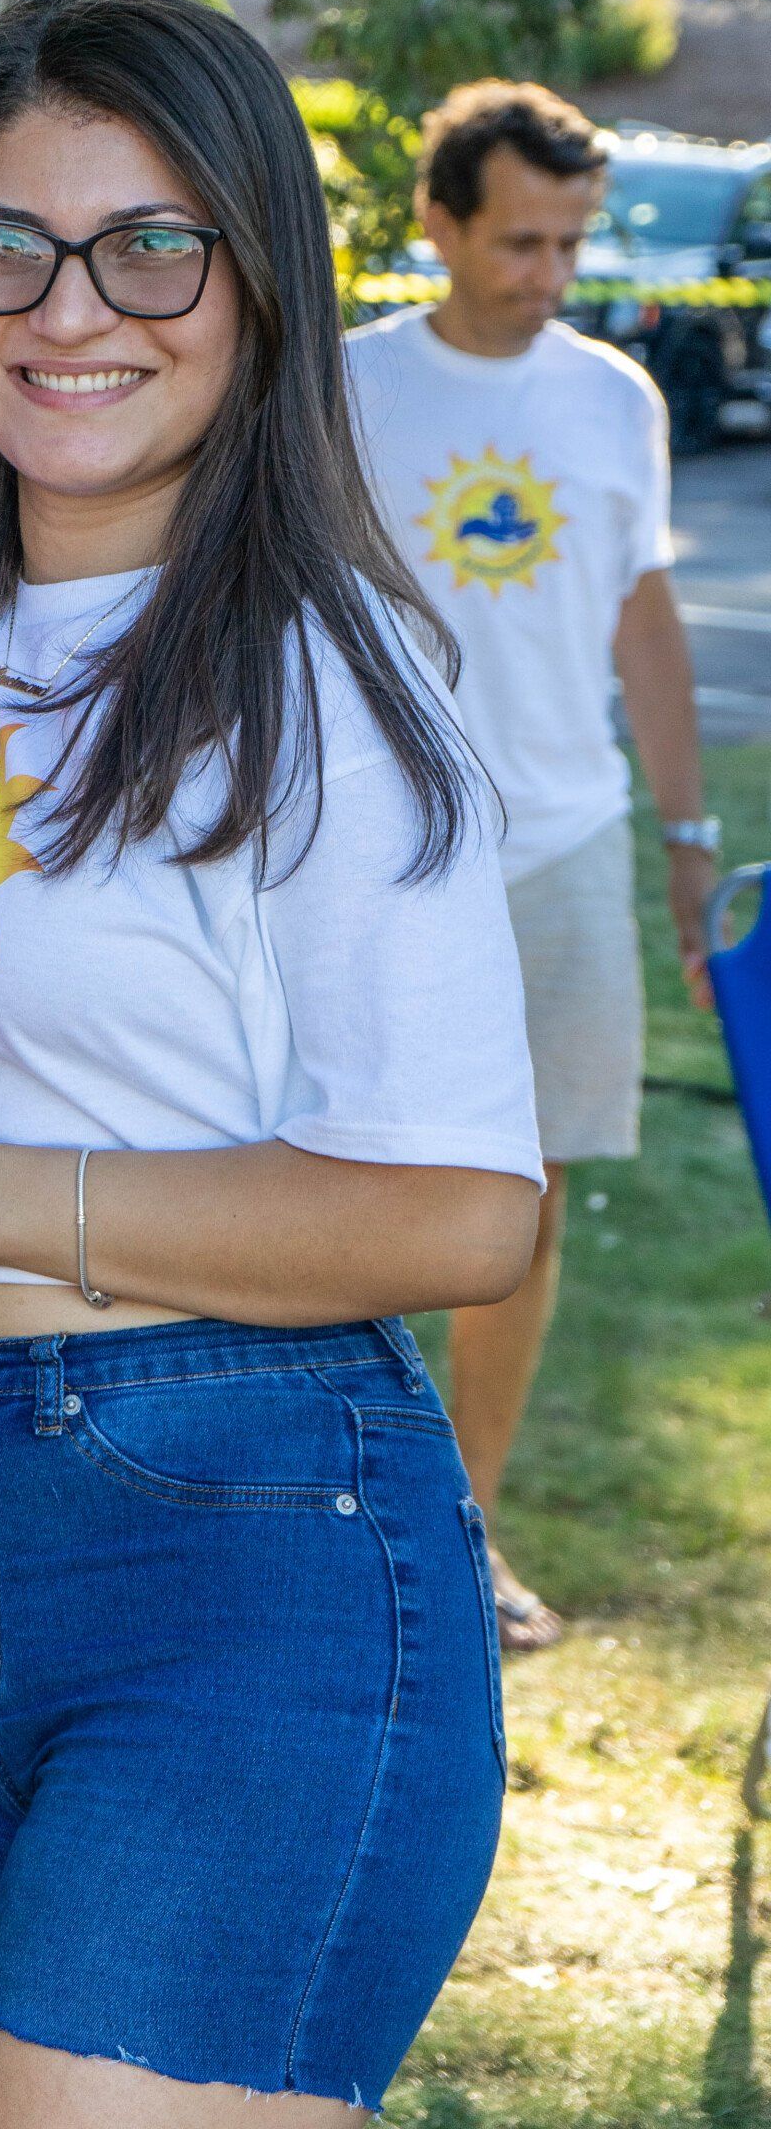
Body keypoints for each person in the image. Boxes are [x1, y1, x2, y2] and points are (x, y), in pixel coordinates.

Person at [0, 0, 544, 2127]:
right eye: (6, 243)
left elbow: (468, 1209)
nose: (74, 307)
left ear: (260, 280)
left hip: (237, 1550)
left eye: (152, 244)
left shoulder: (322, 690)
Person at [346, 80, 715, 1656]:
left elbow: (644, 619)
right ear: (438, 220)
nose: (550, 272)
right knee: (347, 1185)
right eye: (519, 241)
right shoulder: (345, 385)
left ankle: (468, 1532)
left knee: (527, 1204)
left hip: (566, 844)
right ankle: (339, 1523)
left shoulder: (617, 394)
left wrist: (688, 839)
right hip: (377, 846)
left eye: (572, 242)